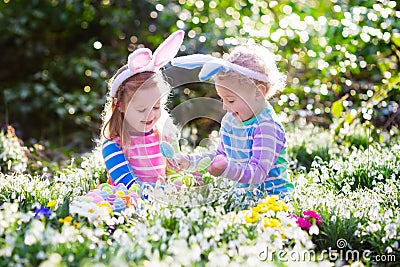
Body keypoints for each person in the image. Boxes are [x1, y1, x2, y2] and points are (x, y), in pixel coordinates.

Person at [171, 45, 294, 197]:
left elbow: (258, 174)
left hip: (272, 201)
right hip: (241, 198)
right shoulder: (230, 121)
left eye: (230, 100)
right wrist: (189, 162)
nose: (225, 107)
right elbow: (220, 156)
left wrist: (226, 169)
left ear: (258, 92)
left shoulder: (267, 127)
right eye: (222, 99)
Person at [101, 30, 183, 189]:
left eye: (157, 107)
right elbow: (130, 185)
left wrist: (181, 182)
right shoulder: (114, 145)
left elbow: (173, 173)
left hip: (158, 203)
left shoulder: (164, 137)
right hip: (127, 201)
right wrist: (167, 191)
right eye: (141, 109)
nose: (150, 115)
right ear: (121, 106)